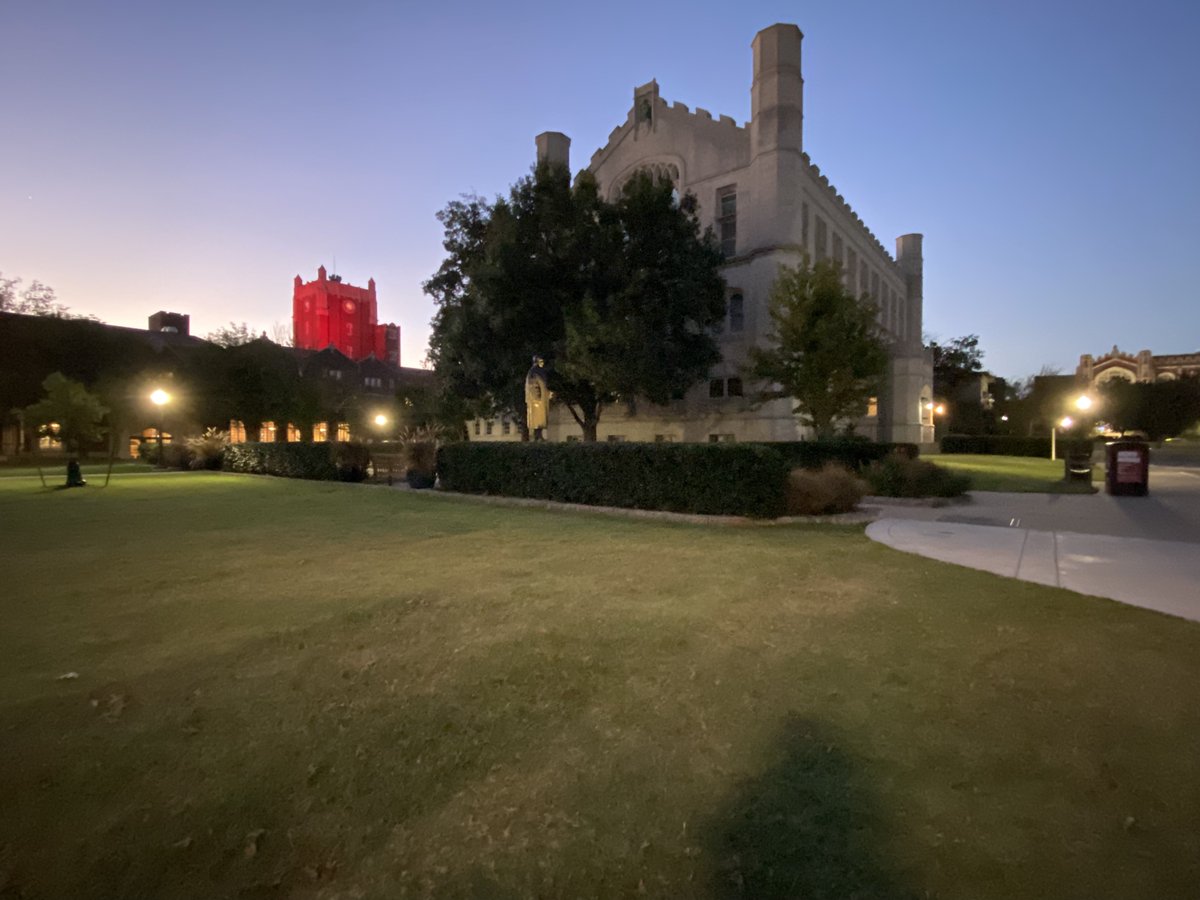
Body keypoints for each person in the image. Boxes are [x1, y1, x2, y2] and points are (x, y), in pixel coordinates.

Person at [524, 356, 550, 440]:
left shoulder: (539, 371)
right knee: (538, 418)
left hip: (540, 399)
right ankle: (537, 435)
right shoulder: (534, 372)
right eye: (540, 361)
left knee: (541, 418)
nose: (542, 363)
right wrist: (537, 395)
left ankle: (539, 435)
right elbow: (533, 385)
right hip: (537, 400)